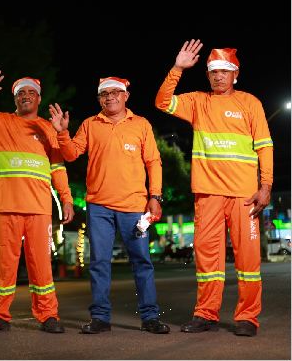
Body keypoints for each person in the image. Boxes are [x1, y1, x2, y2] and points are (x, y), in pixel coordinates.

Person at [155, 39, 273, 337]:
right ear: (207, 76)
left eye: (224, 71)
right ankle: (206, 314)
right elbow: (161, 102)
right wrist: (177, 69)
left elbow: (265, 147)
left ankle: (247, 318)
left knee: (248, 261)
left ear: (235, 74)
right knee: (208, 260)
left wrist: (266, 185)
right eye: (212, 72)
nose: (218, 76)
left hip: (245, 196)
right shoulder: (197, 101)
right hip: (207, 194)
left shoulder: (250, 103)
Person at [48, 77, 170, 335]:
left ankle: (150, 317)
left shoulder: (141, 124)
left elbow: (153, 162)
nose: (110, 97)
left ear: (126, 96)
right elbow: (70, 154)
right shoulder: (91, 124)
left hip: (135, 208)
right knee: (99, 263)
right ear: (99, 99)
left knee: (142, 262)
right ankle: (100, 318)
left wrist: (155, 197)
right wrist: (62, 132)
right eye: (104, 94)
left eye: (116, 92)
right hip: (98, 207)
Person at [0, 69, 75, 333]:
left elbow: (58, 167)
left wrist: (66, 199)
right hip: (7, 208)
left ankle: (48, 315)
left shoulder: (49, 128)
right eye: (20, 93)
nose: (26, 96)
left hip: (39, 210)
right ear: (15, 100)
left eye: (31, 93)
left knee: (41, 266)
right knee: (4, 265)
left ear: (39, 98)